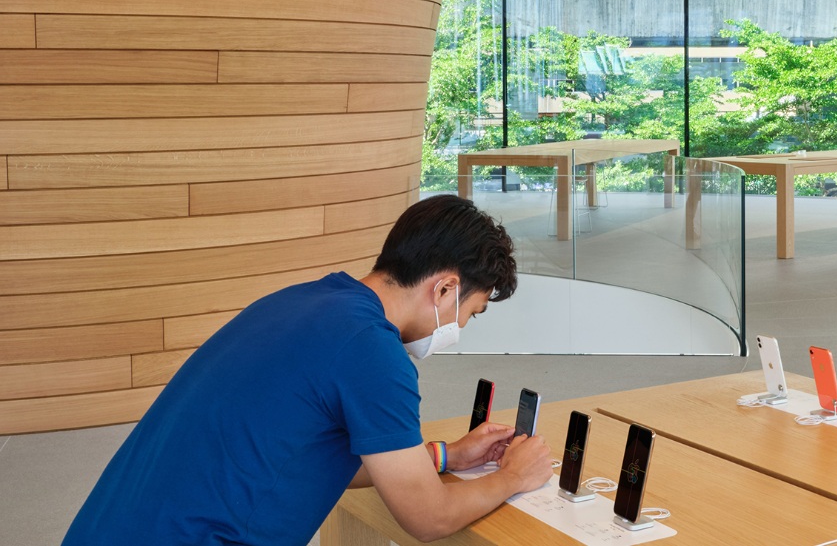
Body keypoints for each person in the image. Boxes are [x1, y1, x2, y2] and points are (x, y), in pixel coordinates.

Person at [63, 194, 553, 545]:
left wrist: (446, 456)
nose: (461, 326)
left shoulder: (304, 302)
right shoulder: (372, 352)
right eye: (471, 312)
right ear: (445, 289)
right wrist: (512, 476)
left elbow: (315, 456)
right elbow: (427, 519)